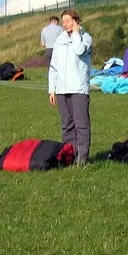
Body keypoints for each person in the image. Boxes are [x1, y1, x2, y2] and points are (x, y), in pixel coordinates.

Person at [49, 9, 93, 165]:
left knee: (81, 124)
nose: (65, 24)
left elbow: (79, 50)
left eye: (68, 21)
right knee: (67, 125)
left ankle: (82, 158)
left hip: (78, 89)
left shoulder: (85, 38)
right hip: (61, 89)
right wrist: (52, 89)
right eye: (63, 22)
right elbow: (53, 66)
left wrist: (76, 33)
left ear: (76, 21)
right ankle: (69, 156)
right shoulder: (59, 41)